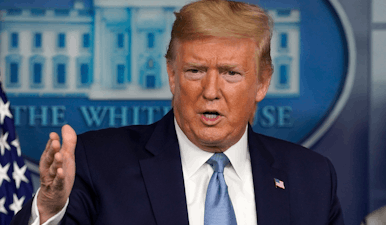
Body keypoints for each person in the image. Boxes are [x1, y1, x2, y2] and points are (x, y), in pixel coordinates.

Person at [11, 0, 345, 224]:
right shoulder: (97, 163)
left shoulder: (312, 178)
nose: (210, 91)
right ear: (172, 76)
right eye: (195, 71)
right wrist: (49, 209)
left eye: (231, 73)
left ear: (262, 83)